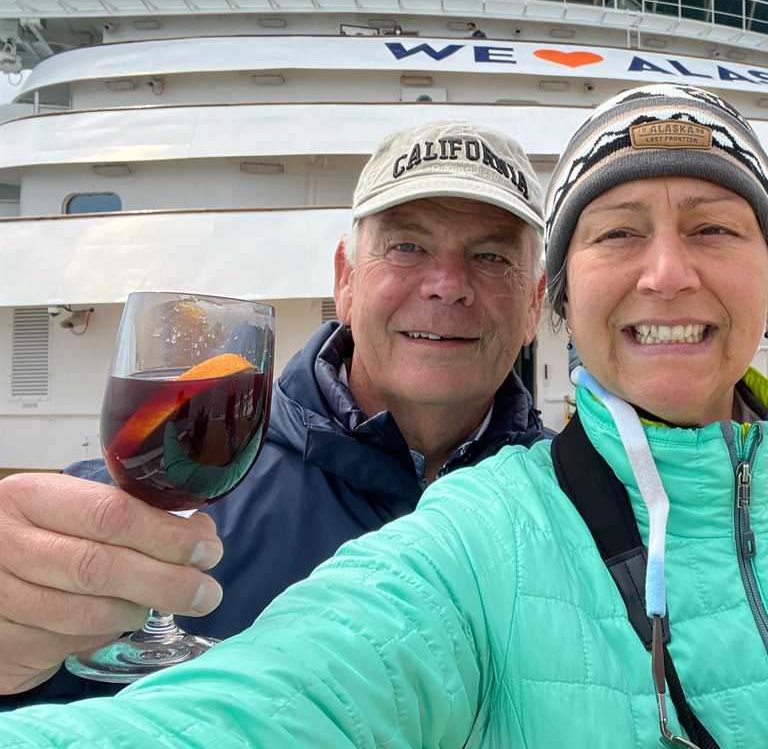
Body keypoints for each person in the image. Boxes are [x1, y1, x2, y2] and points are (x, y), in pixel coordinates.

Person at [0, 85, 768, 747]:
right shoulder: (479, 530)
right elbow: (243, 714)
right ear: (570, 299)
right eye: (618, 233)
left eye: (715, 229)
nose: (667, 273)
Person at [0, 121, 548, 706]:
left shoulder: (598, 508)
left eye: (490, 256)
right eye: (407, 247)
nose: (447, 285)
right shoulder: (141, 504)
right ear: (346, 280)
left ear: (535, 304)